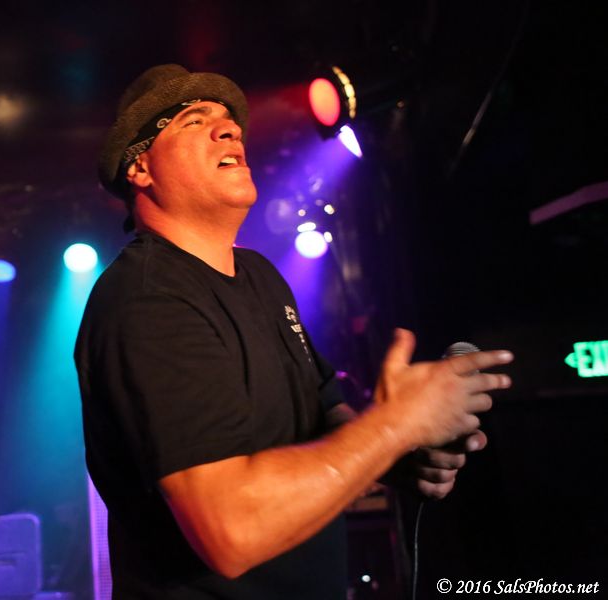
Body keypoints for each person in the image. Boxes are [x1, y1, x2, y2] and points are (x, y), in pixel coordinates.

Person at [74, 64, 513, 599]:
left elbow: (327, 416)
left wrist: (402, 453)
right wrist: (394, 428)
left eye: (229, 119)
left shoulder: (261, 276)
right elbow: (230, 531)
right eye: (195, 120)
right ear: (140, 167)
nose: (230, 128)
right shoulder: (147, 299)